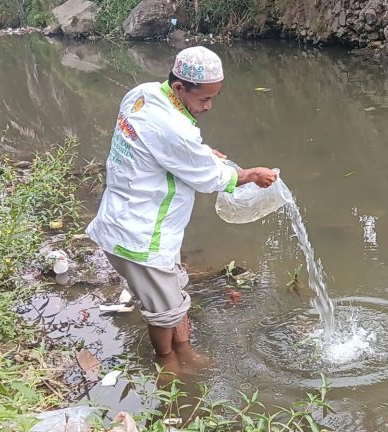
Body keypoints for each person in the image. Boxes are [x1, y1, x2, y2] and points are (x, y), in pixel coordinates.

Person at [86, 46, 276, 372]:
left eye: (214, 97)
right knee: (163, 311)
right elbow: (210, 178)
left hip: (124, 218)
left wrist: (198, 153)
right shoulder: (174, 129)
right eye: (204, 98)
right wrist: (251, 175)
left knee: (172, 296)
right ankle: (169, 363)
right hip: (142, 237)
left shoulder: (142, 95)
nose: (209, 106)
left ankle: (184, 350)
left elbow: (164, 147)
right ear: (179, 88)